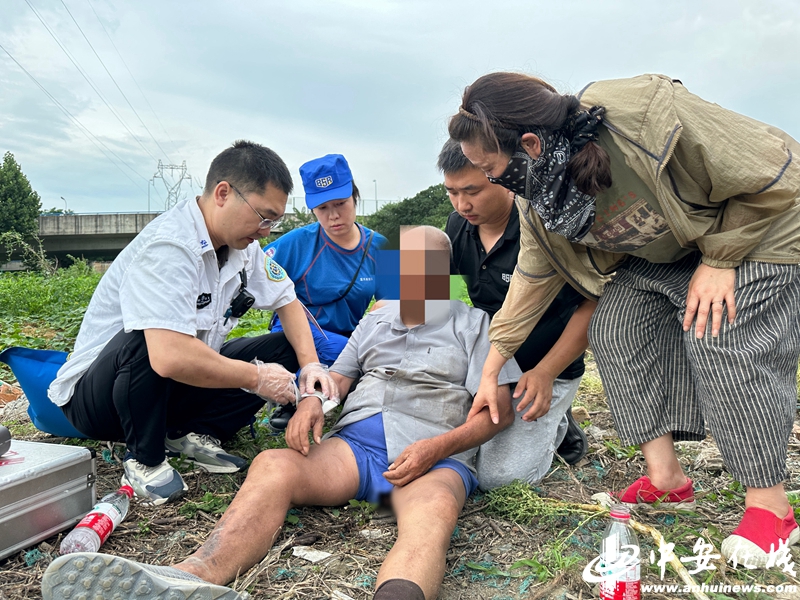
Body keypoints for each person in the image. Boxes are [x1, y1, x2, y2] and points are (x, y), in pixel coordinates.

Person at [42, 225, 522, 600]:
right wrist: (311, 400)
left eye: (424, 268)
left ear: (443, 272)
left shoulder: (478, 326)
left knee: (433, 514)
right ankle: (190, 577)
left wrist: (437, 448)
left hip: (434, 454)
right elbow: (338, 380)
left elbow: (496, 411)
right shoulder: (375, 321)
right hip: (354, 449)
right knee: (273, 464)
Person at [448, 72, 800, 563]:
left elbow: (774, 171)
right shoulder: (539, 198)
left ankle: (771, 506)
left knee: (716, 330)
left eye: (489, 170)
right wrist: (491, 370)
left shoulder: (642, 115)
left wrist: (721, 259)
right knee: (616, 328)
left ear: (529, 144)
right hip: (677, 249)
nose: (486, 185)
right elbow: (530, 280)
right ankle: (667, 479)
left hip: (758, 224)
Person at [47, 140, 338, 505]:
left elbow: (287, 300)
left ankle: (188, 432)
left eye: (273, 221)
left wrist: (310, 366)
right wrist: (257, 378)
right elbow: (168, 357)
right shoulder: (170, 247)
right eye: (263, 217)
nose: (266, 231)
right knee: (151, 336)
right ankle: (144, 459)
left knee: (283, 347)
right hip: (104, 400)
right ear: (223, 194)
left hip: (169, 387)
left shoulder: (244, 248)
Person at [439, 139, 594, 488]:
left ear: (503, 176)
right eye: (452, 192)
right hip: (487, 363)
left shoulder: (544, 226)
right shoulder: (456, 227)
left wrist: (546, 372)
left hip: (543, 366)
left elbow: (591, 304)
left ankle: (560, 424)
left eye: (472, 191)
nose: (462, 204)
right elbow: (437, 302)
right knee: (452, 442)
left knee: (499, 478)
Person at [263, 154, 387, 429]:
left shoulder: (379, 247)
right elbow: (248, 272)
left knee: (367, 356)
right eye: (322, 208)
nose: (333, 216)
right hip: (297, 331)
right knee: (342, 353)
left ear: (354, 197)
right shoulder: (296, 243)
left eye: (341, 203)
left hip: (349, 336)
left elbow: (398, 303)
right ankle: (296, 397)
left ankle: (307, 392)